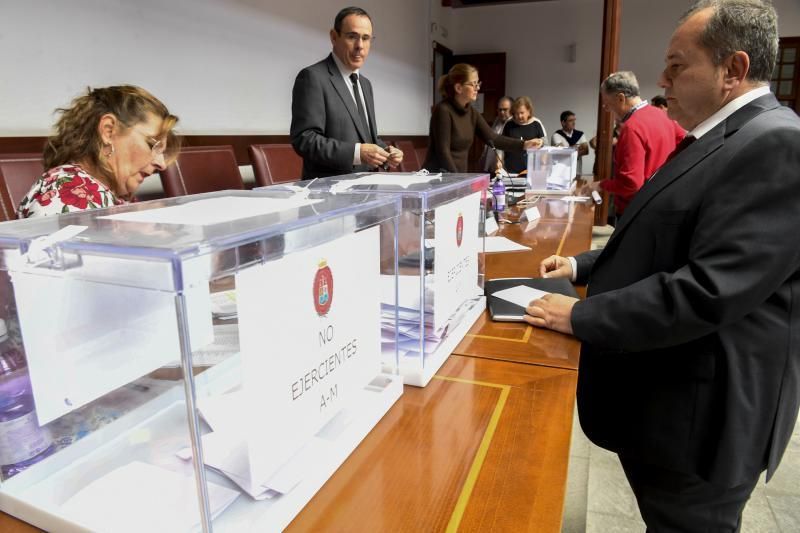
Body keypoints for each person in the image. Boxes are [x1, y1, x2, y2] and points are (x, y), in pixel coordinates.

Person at [525, 1, 800, 531]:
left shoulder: (775, 144)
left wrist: (580, 316)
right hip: (669, 402)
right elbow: (665, 235)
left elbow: (707, 288)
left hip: (704, 418)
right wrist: (583, 265)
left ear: (733, 70)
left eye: (677, 66)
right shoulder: (717, 136)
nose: (662, 79)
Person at [18, 85, 179, 218]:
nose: (162, 164)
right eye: (153, 145)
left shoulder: (113, 191)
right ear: (108, 131)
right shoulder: (68, 197)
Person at [290, 6, 402, 179]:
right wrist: (356, 152)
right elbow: (305, 139)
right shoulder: (312, 77)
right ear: (334, 37)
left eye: (366, 38)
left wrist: (386, 153)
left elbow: (367, 137)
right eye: (352, 37)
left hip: (368, 190)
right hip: (328, 194)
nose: (360, 46)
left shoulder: (366, 84)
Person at [590, 70, 685, 217]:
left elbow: (631, 184)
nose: (608, 110)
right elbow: (684, 144)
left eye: (607, 105)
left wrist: (601, 185)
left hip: (636, 210)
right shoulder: (664, 115)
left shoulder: (632, 126)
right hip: (659, 201)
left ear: (621, 98)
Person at [424, 64, 539, 173]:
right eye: (473, 84)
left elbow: (493, 138)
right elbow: (443, 152)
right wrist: (457, 180)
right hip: (437, 178)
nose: (478, 88)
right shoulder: (443, 110)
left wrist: (524, 144)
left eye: (478, 83)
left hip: (455, 178)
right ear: (458, 88)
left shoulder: (472, 113)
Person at [499, 96, 546, 174]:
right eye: (517, 113)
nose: (519, 116)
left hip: (532, 171)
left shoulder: (536, 123)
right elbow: (500, 144)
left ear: (529, 111)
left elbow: (545, 145)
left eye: (522, 113)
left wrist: (540, 142)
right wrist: (499, 160)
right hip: (510, 171)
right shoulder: (509, 123)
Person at [478, 96, 513, 173]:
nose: (502, 112)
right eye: (500, 110)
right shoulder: (497, 121)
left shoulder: (513, 125)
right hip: (490, 168)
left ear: (512, 110)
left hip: (504, 170)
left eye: (505, 109)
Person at [551, 110, 590, 174]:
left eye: (574, 120)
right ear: (563, 123)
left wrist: (569, 149)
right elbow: (562, 153)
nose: (574, 123)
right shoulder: (556, 135)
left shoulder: (580, 134)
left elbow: (586, 150)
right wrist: (577, 148)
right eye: (570, 120)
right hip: (561, 171)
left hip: (577, 171)